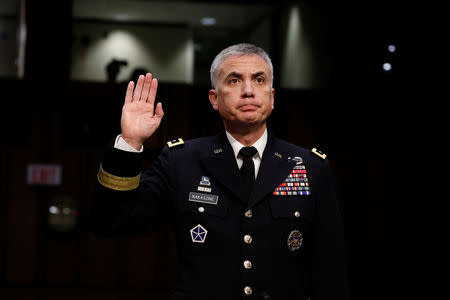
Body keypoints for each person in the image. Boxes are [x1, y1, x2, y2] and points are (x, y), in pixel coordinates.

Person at [92, 43, 349, 300]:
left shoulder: (310, 167)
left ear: (272, 97)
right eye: (235, 80)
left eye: (259, 80)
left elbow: (330, 271)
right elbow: (113, 221)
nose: (248, 91)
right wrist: (130, 143)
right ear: (214, 98)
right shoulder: (182, 161)